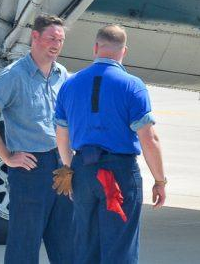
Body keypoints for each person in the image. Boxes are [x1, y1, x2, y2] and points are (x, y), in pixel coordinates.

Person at [52, 25, 166, 264]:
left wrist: (67, 170)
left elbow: (62, 134)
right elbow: (149, 138)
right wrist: (159, 180)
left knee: (85, 245)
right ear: (124, 51)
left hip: (82, 170)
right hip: (119, 174)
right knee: (119, 248)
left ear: (95, 48)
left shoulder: (69, 85)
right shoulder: (132, 85)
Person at [0, 15, 73, 264]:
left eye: (60, 40)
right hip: (32, 168)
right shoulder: (14, 76)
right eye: (51, 38)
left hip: (63, 166)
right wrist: (7, 156)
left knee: (67, 242)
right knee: (24, 244)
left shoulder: (62, 75)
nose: (56, 45)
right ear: (35, 37)